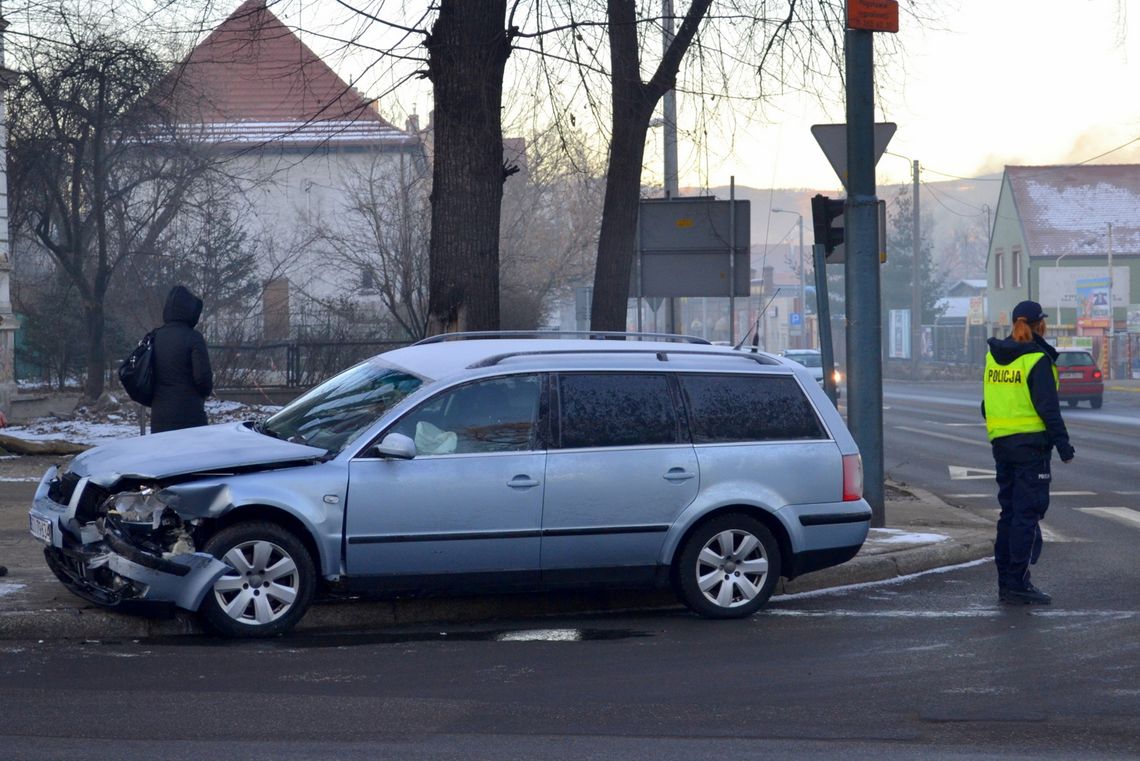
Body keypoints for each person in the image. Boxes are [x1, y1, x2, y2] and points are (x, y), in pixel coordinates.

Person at [981, 300, 1074, 605]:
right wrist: (1063, 444)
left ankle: (1006, 582)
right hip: (1031, 448)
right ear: (1040, 325)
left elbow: (986, 405)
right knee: (1027, 514)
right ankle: (1018, 582)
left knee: (1009, 514)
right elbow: (1048, 408)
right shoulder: (1036, 359)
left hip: (1002, 445)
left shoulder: (993, 357)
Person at [151, 285, 213, 434]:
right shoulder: (193, 338)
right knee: (190, 456)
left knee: (164, 455)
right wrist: (204, 392)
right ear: (190, 311)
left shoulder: (154, 336)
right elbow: (202, 379)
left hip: (159, 416)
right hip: (190, 415)